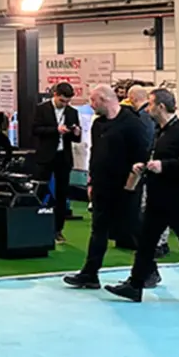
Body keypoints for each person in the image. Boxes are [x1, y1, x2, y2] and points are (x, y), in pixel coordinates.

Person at [105, 89, 179, 306]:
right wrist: (144, 165)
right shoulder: (160, 131)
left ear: (161, 107)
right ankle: (135, 284)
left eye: (151, 104)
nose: (148, 109)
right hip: (158, 198)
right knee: (145, 243)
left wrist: (164, 166)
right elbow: (156, 158)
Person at [63, 84, 155, 289]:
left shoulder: (132, 123)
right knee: (98, 229)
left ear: (105, 99)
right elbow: (95, 154)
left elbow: (141, 156)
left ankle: (150, 270)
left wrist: (131, 185)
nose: (91, 105)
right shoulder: (98, 124)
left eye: (93, 100)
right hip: (102, 186)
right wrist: (91, 181)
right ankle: (90, 273)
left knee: (132, 229)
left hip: (126, 186)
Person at [123, 85, 169, 256]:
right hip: (155, 168)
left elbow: (146, 142)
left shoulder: (144, 118)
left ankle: (157, 243)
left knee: (151, 207)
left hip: (153, 169)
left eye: (151, 104)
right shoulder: (161, 125)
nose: (149, 108)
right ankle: (158, 242)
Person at [32, 82, 81, 243]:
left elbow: (76, 139)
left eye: (67, 101)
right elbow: (35, 130)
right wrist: (56, 130)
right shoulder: (42, 109)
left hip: (63, 157)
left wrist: (76, 133)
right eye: (62, 100)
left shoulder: (72, 112)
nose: (65, 104)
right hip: (45, 156)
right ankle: (35, 226)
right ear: (55, 95)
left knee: (62, 194)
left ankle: (58, 229)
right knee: (40, 191)